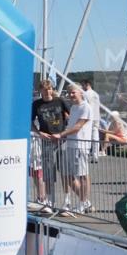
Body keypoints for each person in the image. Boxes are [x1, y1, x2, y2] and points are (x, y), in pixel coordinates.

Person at [52, 84, 93, 213]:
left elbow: (77, 127)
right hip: (69, 144)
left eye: (73, 92)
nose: (70, 95)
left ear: (80, 92)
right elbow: (70, 126)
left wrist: (60, 135)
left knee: (82, 175)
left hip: (81, 145)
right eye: (69, 93)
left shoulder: (86, 107)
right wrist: (61, 138)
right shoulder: (74, 107)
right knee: (66, 174)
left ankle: (82, 204)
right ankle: (81, 201)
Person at [30, 79, 69, 209]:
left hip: (62, 140)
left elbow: (70, 117)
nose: (47, 91)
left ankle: (66, 201)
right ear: (40, 91)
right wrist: (39, 133)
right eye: (45, 89)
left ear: (52, 89)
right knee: (48, 171)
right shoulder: (36, 104)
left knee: (64, 170)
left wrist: (64, 133)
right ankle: (49, 200)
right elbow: (29, 122)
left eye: (49, 89)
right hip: (46, 140)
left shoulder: (60, 101)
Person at [81, 79, 101, 161]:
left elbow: (84, 106)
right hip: (97, 116)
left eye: (83, 85)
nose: (82, 87)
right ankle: (95, 155)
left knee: (86, 136)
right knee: (95, 136)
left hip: (89, 117)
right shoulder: (96, 94)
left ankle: (86, 153)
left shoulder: (85, 94)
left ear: (87, 84)